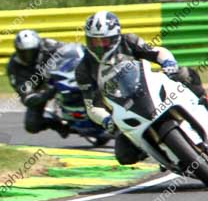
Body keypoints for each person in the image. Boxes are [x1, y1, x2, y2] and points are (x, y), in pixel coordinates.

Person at [76, 10, 208, 165]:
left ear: (115, 37)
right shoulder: (84, 68)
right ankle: (156, 151)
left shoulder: (128, 41)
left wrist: (168, 63)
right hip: (122, 110)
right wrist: (106, 120)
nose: (99, 46)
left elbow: (157, 52)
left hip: (147, 89)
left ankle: (204, 102)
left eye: (103, 41)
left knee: (184, 73)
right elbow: (91, 106)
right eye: (94, 41)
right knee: (124, 156)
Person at [6, 29, 71, 137]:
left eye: (32, 51)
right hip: (40, 89)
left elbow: (72, 51)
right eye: (25, 53)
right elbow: (26, 96)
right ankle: (56, 124)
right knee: (32, 125)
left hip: (63, 75)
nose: (29, 56)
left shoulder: (49, 45)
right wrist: (46, 94)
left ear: (39, 47)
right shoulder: (14, 67)